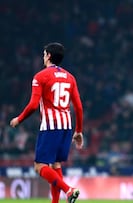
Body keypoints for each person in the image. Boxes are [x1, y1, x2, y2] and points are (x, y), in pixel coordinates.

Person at [9, 42, 83, 203]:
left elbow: (33, 105)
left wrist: (18, 119)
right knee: (55, 165)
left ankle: (68, 190)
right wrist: (79, 131)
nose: (43, 57)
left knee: (39, 166)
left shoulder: (40, 76)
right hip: (66, 127)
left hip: (50, 126)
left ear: (48, 55)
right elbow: (78, 106)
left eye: (44, 54)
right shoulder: (70, 78)